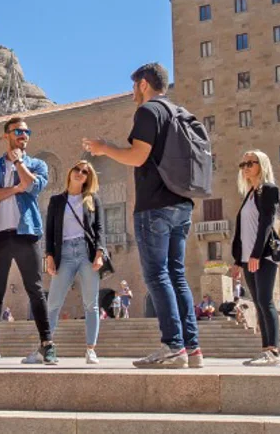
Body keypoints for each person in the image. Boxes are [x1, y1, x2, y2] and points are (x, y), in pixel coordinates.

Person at [84, 63, 203, 369]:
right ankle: (192, 348)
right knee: (177, 275)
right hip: (182, 204)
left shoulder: (149, 112)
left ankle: (173, 345)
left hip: (155, 206)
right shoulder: (180, 112)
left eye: (135, 85)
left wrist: (105, 148)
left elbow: (137, 156)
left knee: (157, 275)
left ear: (145, 84)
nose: (133, 92)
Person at [0, 117, 56, 366]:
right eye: (18, 131)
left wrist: (20, 164)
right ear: (6, 135)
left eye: (27, 131)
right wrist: (16, 188)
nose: (24, 135)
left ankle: (47, 344)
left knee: (35, 288)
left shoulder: (37, 164)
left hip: (26, 232)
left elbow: (33, 186)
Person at [45, 160, 106, 364]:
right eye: (77, 169)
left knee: (91, 304)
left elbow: (100, 229)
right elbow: (50, 232)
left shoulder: (92, 200)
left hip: (86, 252)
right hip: (64, 253)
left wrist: (100, 253)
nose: (80, 173)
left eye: (85, 172)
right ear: (70, 172)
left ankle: (90, 349)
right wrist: (49, 256)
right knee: (53, 303)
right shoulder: (56, 201)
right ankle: (45, 347)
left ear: (89, 178)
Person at [229, 150, 280, 366]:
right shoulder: (249, 195)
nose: (246, 167)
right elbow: (242, 230)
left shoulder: (268, 190)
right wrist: (238, 260)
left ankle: (274, 352)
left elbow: (266, 224)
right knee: (257, 303)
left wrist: (256, 254)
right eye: (243, 164)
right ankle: (265, 350)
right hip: (247, 257)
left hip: (263, 256)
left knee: (265, 300)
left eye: (251, 163)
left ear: (262, 164)